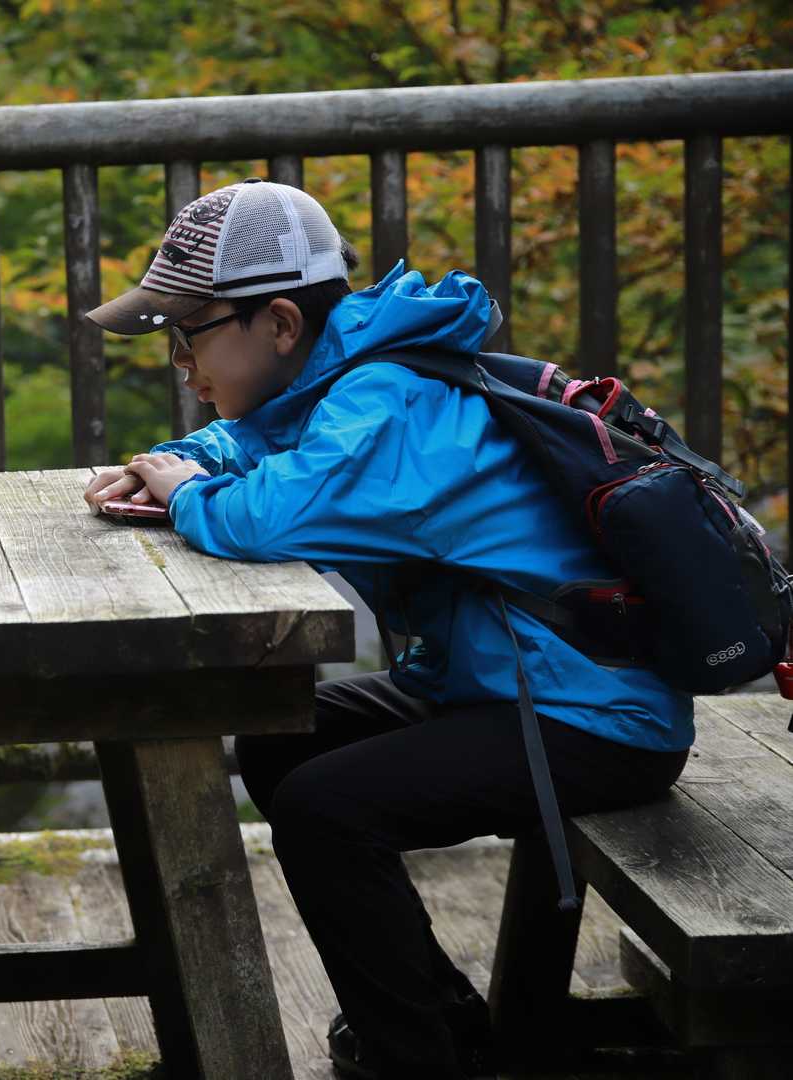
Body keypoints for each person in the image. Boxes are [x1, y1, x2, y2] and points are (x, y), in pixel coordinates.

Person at [82, 178, 692, 1080]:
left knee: (326, 812)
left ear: (279, 324)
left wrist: (185, 494)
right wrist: (176, 461)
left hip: (591, 715)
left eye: (190, 334)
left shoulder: (389, 401)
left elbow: (270, 514)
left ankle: (418, 1058)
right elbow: (261, 443)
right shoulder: (351, 376)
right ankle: (441, 1020)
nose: (179, 361)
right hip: (499, 684)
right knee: (284, 743)